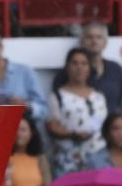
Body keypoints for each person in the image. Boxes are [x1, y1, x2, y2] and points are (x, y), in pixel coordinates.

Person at [47, 47, 111, 176]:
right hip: (69, 159)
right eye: (75, 63)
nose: (79, 68)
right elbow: (52, 126)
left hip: (98, 156)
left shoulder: (99, 96)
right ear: (67, 67)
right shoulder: (57, 96)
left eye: (84, 63)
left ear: (89, 68)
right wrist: (73, 134)